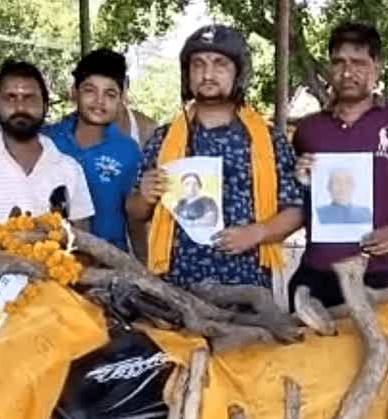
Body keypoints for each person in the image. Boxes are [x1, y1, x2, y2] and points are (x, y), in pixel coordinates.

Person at [126, 24, 303, 290]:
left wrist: (258, 232)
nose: (207, 74)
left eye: (220, 64)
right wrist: (143, 196)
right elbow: (135, 211)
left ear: (239, 73)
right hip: (177, 289)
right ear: (187, 74)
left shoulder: (269, 139)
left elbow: (296, 210)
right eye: (198, 64)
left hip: (246, 289)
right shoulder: (164, 139)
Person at [290, 21, 388, 309]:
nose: (347, 72)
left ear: (377, 67)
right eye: (339, 62)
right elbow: (293, 201)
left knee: (379, 352)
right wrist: (299, 178)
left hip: (377, 274)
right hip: (315, 274)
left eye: (359, 63)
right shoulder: (308, 130)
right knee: (311, 355)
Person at [0, 60, 95, 279]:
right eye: (10, 97)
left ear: (45, 106)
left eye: (29, 97)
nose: (20, 106)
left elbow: (83, 244)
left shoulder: (69, 169)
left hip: (52, 299)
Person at [43, 49, 143, 252]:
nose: (99, 101)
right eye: (90, 90)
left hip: (108, 264)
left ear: (122, 97)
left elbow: (136, 218)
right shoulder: (46, 140)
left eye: (110, 93)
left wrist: (144, 268)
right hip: (49, 258)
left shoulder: (128, 151)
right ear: (74, 91)